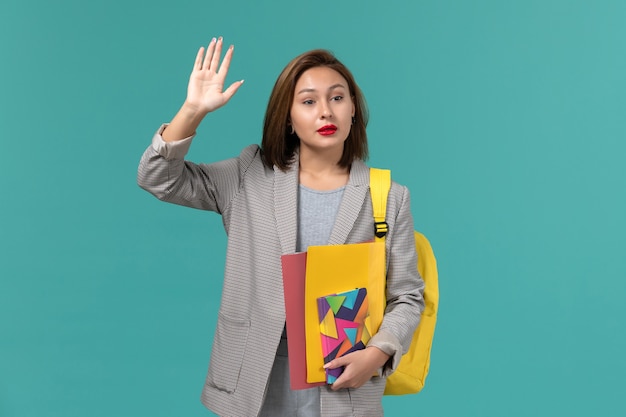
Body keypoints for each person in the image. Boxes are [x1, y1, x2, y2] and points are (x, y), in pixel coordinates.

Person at [137, 37, 425, 417]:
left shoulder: (388, 196)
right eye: (308, 101)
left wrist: (378, 353)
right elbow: (158, 177)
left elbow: (407, 296)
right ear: (288, 117)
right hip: (256, 379)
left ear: (353, 109)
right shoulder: (248, 175)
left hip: (343, 385)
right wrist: (192, 111)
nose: (325, 111)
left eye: (337, 98)